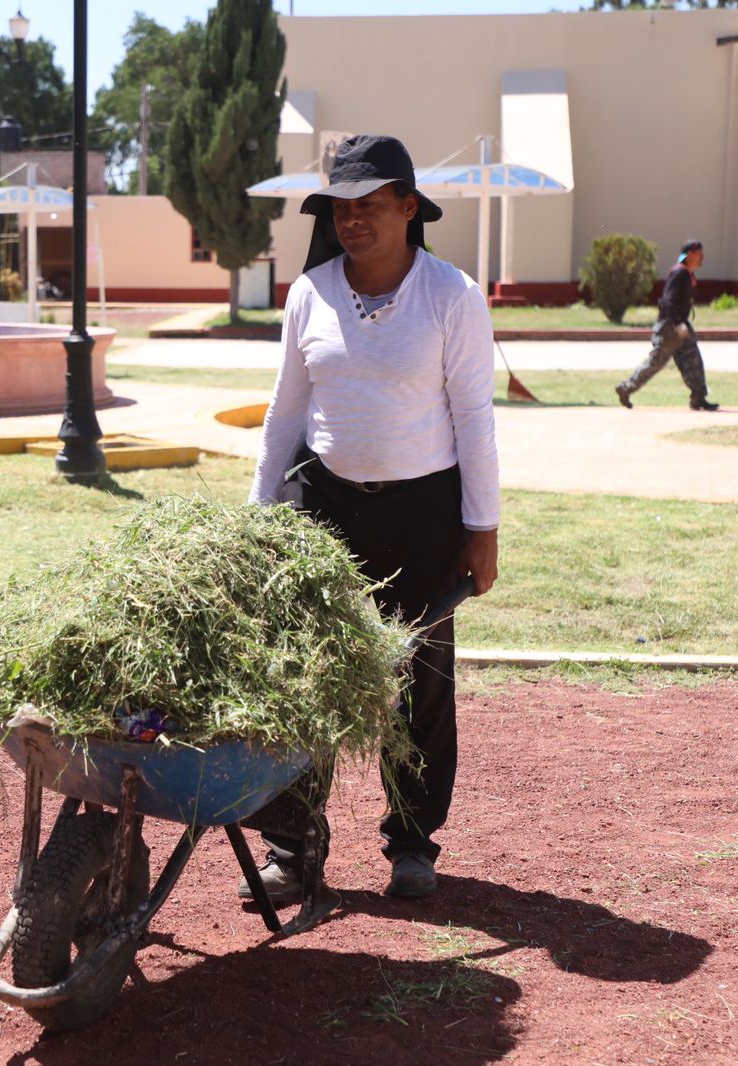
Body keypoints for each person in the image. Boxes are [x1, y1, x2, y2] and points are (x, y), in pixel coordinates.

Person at [244, 134, 500, 901]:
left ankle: (413, 844)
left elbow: (476, 417)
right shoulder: (309, 293)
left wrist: (482, 530)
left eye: (372, 205)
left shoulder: (452, 296)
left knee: (419, 683)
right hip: (323, 510)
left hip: (423, 514)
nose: (355, 220)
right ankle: (293, 847)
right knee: (304, 675)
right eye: (341, 208)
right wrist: (259, 519)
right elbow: (286, 409)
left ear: (409, 208)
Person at [615, 240, 719, 411]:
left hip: (681, 326)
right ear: (690, 254)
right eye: (700, 254)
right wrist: (677, 323)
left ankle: (699, 397)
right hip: (670, 328)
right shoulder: (679, 273)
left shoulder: (687, 273)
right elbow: (667, 301)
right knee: (656, 363)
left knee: (693, 361)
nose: (703, 257)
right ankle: (625, 388)